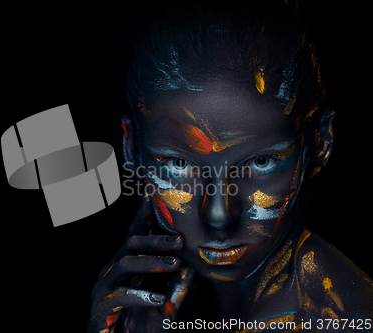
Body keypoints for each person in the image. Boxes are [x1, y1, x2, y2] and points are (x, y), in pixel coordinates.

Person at [87, 1, 373, 332]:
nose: (218, 214)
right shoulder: (158, 307)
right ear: (131, 147)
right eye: (179, 164)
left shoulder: (341, 319)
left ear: (320, 143)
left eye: (261, 162)